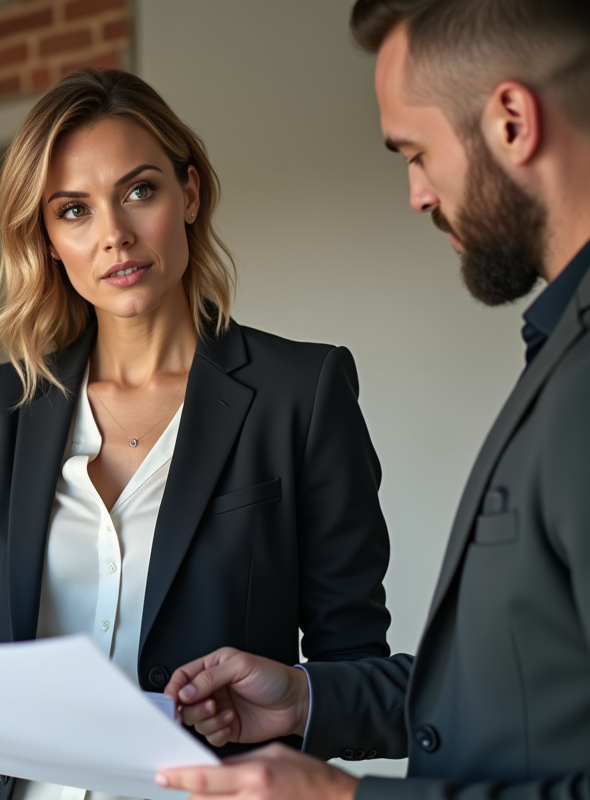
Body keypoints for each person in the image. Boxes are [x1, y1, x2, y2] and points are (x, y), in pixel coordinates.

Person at [0, 68, 393, 800]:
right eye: (74, 211)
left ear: (190, 193)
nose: (114, 235)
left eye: (140, 191)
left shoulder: (300, 393)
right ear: (49, 239)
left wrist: (301, 707)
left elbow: (359, 667)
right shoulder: (0, 405)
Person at [155, 1, 590, 799]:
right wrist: (307, 696)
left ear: (513, 122)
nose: (417, 194)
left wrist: (344, 798)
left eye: (416, 153)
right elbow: (518, 687)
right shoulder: (559, 347)